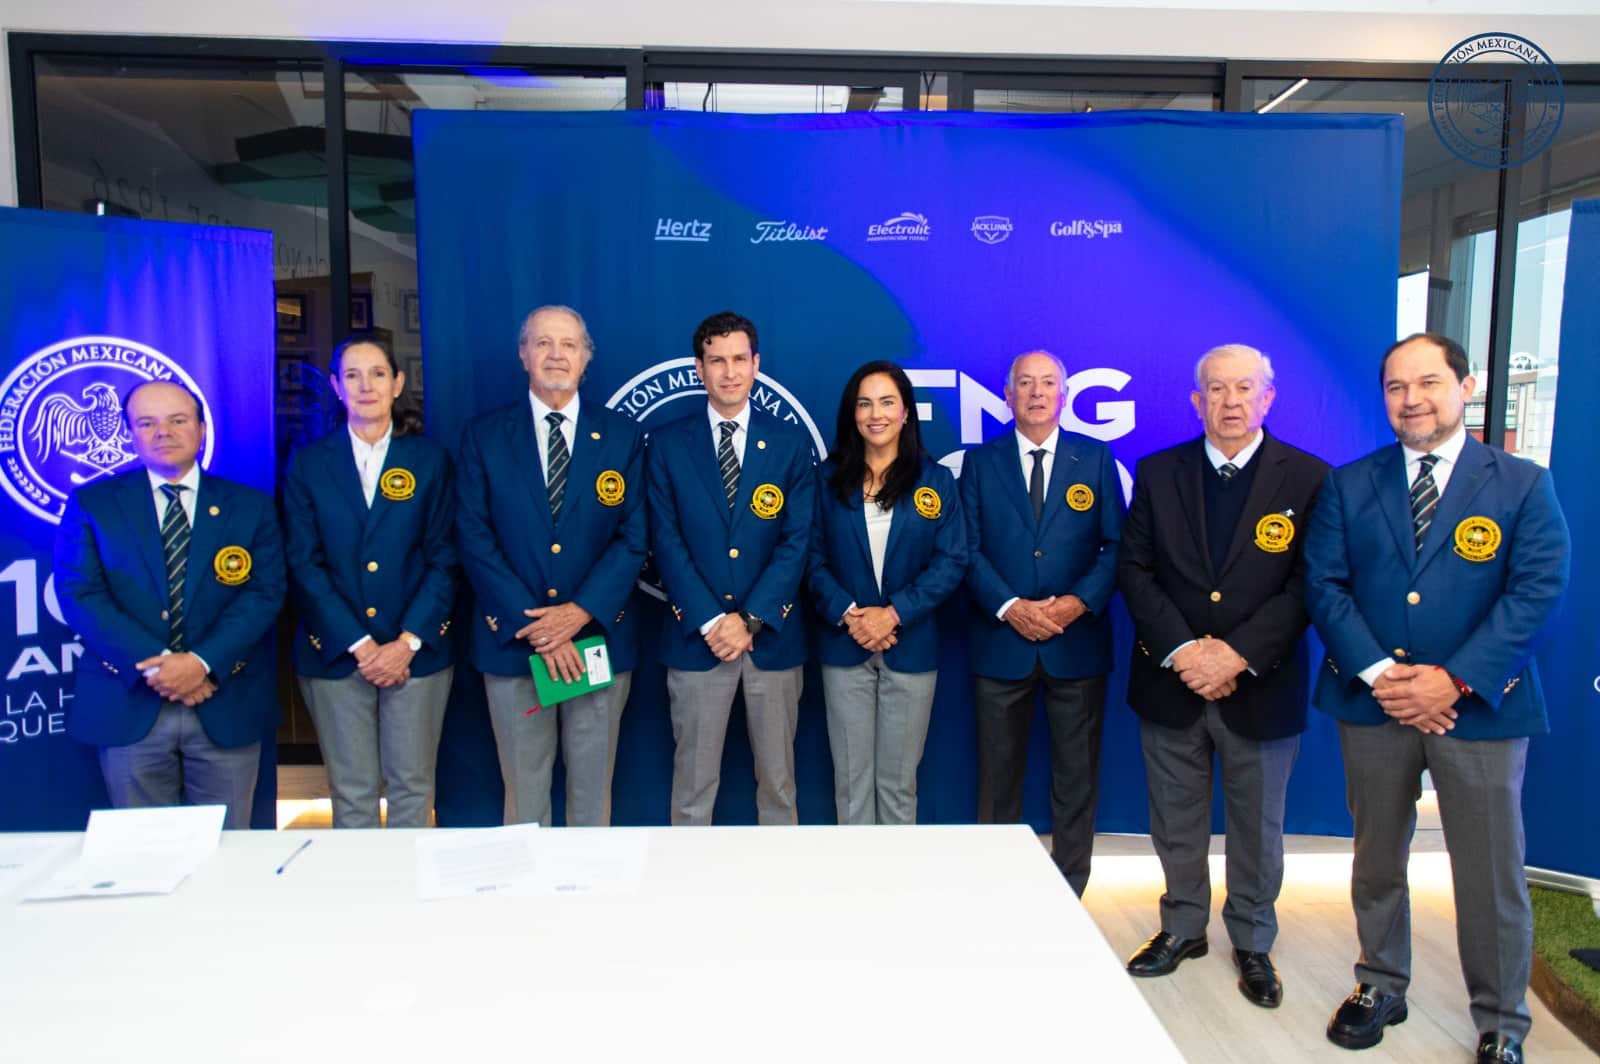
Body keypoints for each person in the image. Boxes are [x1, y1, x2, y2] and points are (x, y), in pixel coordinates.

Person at [1305, 333, 1569, 1063]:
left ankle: (1500, 1019)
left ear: (1466, 387)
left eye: (1427, 382)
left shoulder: (1523, 483)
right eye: (1396, 387)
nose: (1411, 399)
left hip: (1479, 708)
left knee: (1490, 872)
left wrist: (1451, 679)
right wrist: (1380, 675)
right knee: (1376, 859)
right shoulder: (1348, 484)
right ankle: (1380, 984)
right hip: (1375, 705)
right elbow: (1324, 584)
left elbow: (1537, 590)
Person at [1116, 344, 1329, 1007]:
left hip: (1261, 684)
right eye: (1216, 389)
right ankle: (1183, 927)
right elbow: (1135, 571)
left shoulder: (1310, 477)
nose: (1230, 401)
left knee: (1258, 827)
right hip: (1171, 681)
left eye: (1244, 388)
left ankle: (1253, 941)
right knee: (1174, 818)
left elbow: (1309, 583)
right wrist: (1186, 652)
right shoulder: (1158, 472)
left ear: (1268, 398)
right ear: (1196, 400)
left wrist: (1235, 655)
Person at [53, 380, 285, 830]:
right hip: (130, 704)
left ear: (201, 428)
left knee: (229, 850)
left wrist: (201, 663)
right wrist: (161, 667)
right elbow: (80, 593)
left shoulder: (250, 506)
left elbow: (265, 593)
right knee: (143, 852)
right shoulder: (94, 504)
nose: (163, 431)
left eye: (178, 420)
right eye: (147, 423)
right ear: (129, 433)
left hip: (225, 700)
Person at [456, 305, 646, 827]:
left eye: (568, 344)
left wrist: (578, 614)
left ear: (586, 357)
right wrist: (541, 628)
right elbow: (473, 537)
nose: (556, 354)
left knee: (592, 796)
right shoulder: (484, 436)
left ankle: (589, 884)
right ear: (523, 355)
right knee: (524, 798)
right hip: (515, 645)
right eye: (543, 343)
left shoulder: (623, 436)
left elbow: (634, 538)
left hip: (596, 643)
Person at [960, 350, 1124, 894]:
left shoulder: (1094, 458)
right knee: (997, 778)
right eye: (1025, 383)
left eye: (1047, 383)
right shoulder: (981, 463)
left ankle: (1070, 887)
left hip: (1076, 643)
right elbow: (967, 548)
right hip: (1001, 643)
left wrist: (1076, 603)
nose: (1036, 393)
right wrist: (1011, 607)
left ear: (1064, 394)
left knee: (1076, 777)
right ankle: (996, 885)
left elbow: (1116, 546)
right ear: (1007, 396)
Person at [647, 310, 814, 825]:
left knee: (779, 787)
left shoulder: (788, 443)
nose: (729, 372)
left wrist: (751, 619)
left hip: (772, 641)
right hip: (697, 641)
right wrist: (712, 620)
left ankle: (778, 879)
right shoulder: (667, 444)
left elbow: (797, 542)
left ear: (756, 364)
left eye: (739, 359)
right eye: (716, 360)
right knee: (692, 790)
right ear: (699, 368)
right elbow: (665, 541)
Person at [283, 336, 457, 829]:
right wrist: (360, 645)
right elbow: (303, 562)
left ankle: (407, 884)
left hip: (415, 654)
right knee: (352, 792)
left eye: (378, 373)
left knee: (413, 788)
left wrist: (405, 643)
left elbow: (445, 558)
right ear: (336, 386)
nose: (366, 386)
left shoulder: (430, 460)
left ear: (397, 383)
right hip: (337, 655)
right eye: (352, 375)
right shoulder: (309, 463)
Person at [808, 360, 968, 825]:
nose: (875, 414)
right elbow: (810, 558)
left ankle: (897, 875)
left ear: (905, 412)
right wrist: (851, 614)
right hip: (845, 645)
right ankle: (856, 875)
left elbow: (952, 560)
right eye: (864, 404)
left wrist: (893, 614)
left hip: (910, 646)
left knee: (898, 786)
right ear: (852, 414)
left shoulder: (935, 480)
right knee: (851, 785)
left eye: (886, 402)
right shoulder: (826, 480)